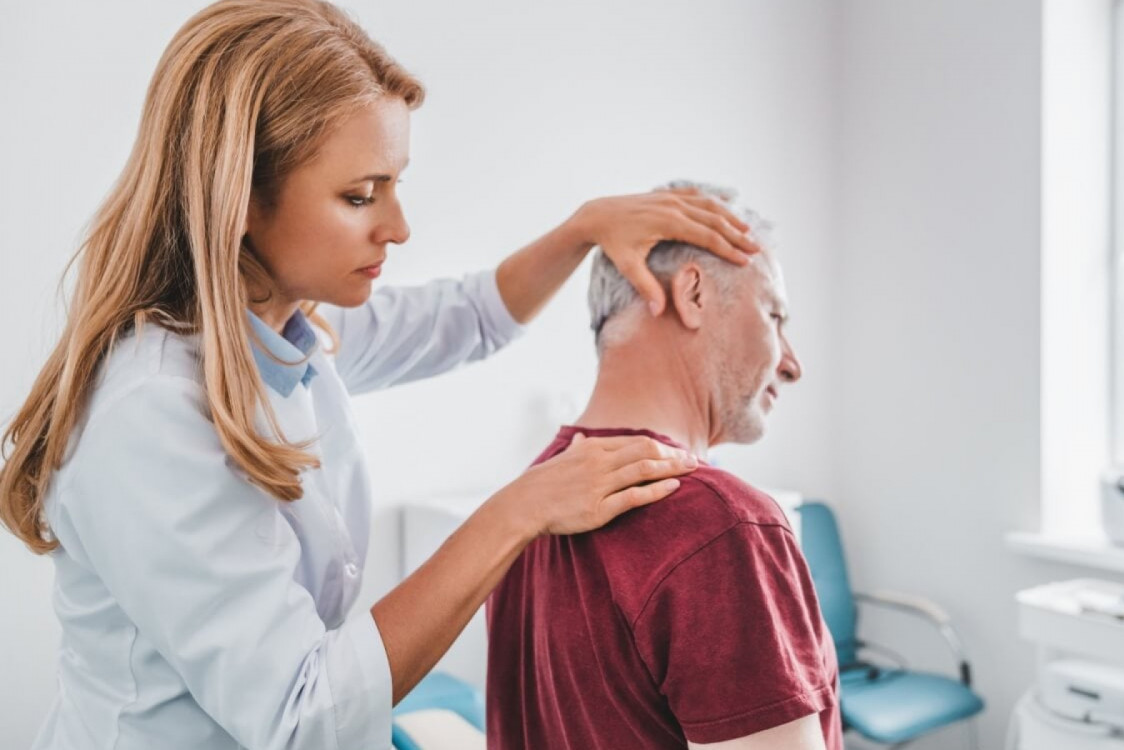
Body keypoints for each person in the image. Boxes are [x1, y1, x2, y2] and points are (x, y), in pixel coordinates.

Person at [0, 3, 763, 748]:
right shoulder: (151, 410)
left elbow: (464, 318)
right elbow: (303, 718)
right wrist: (515, 513)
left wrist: (581, 229)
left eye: (396, 185)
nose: (398, 227)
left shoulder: (289, 328)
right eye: (360, 196)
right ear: (239, 198)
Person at [486, 182, 843, 749]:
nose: (791, 363)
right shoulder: (724, 528)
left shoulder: (529, 496)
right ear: (694, 294)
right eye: (774, 314)